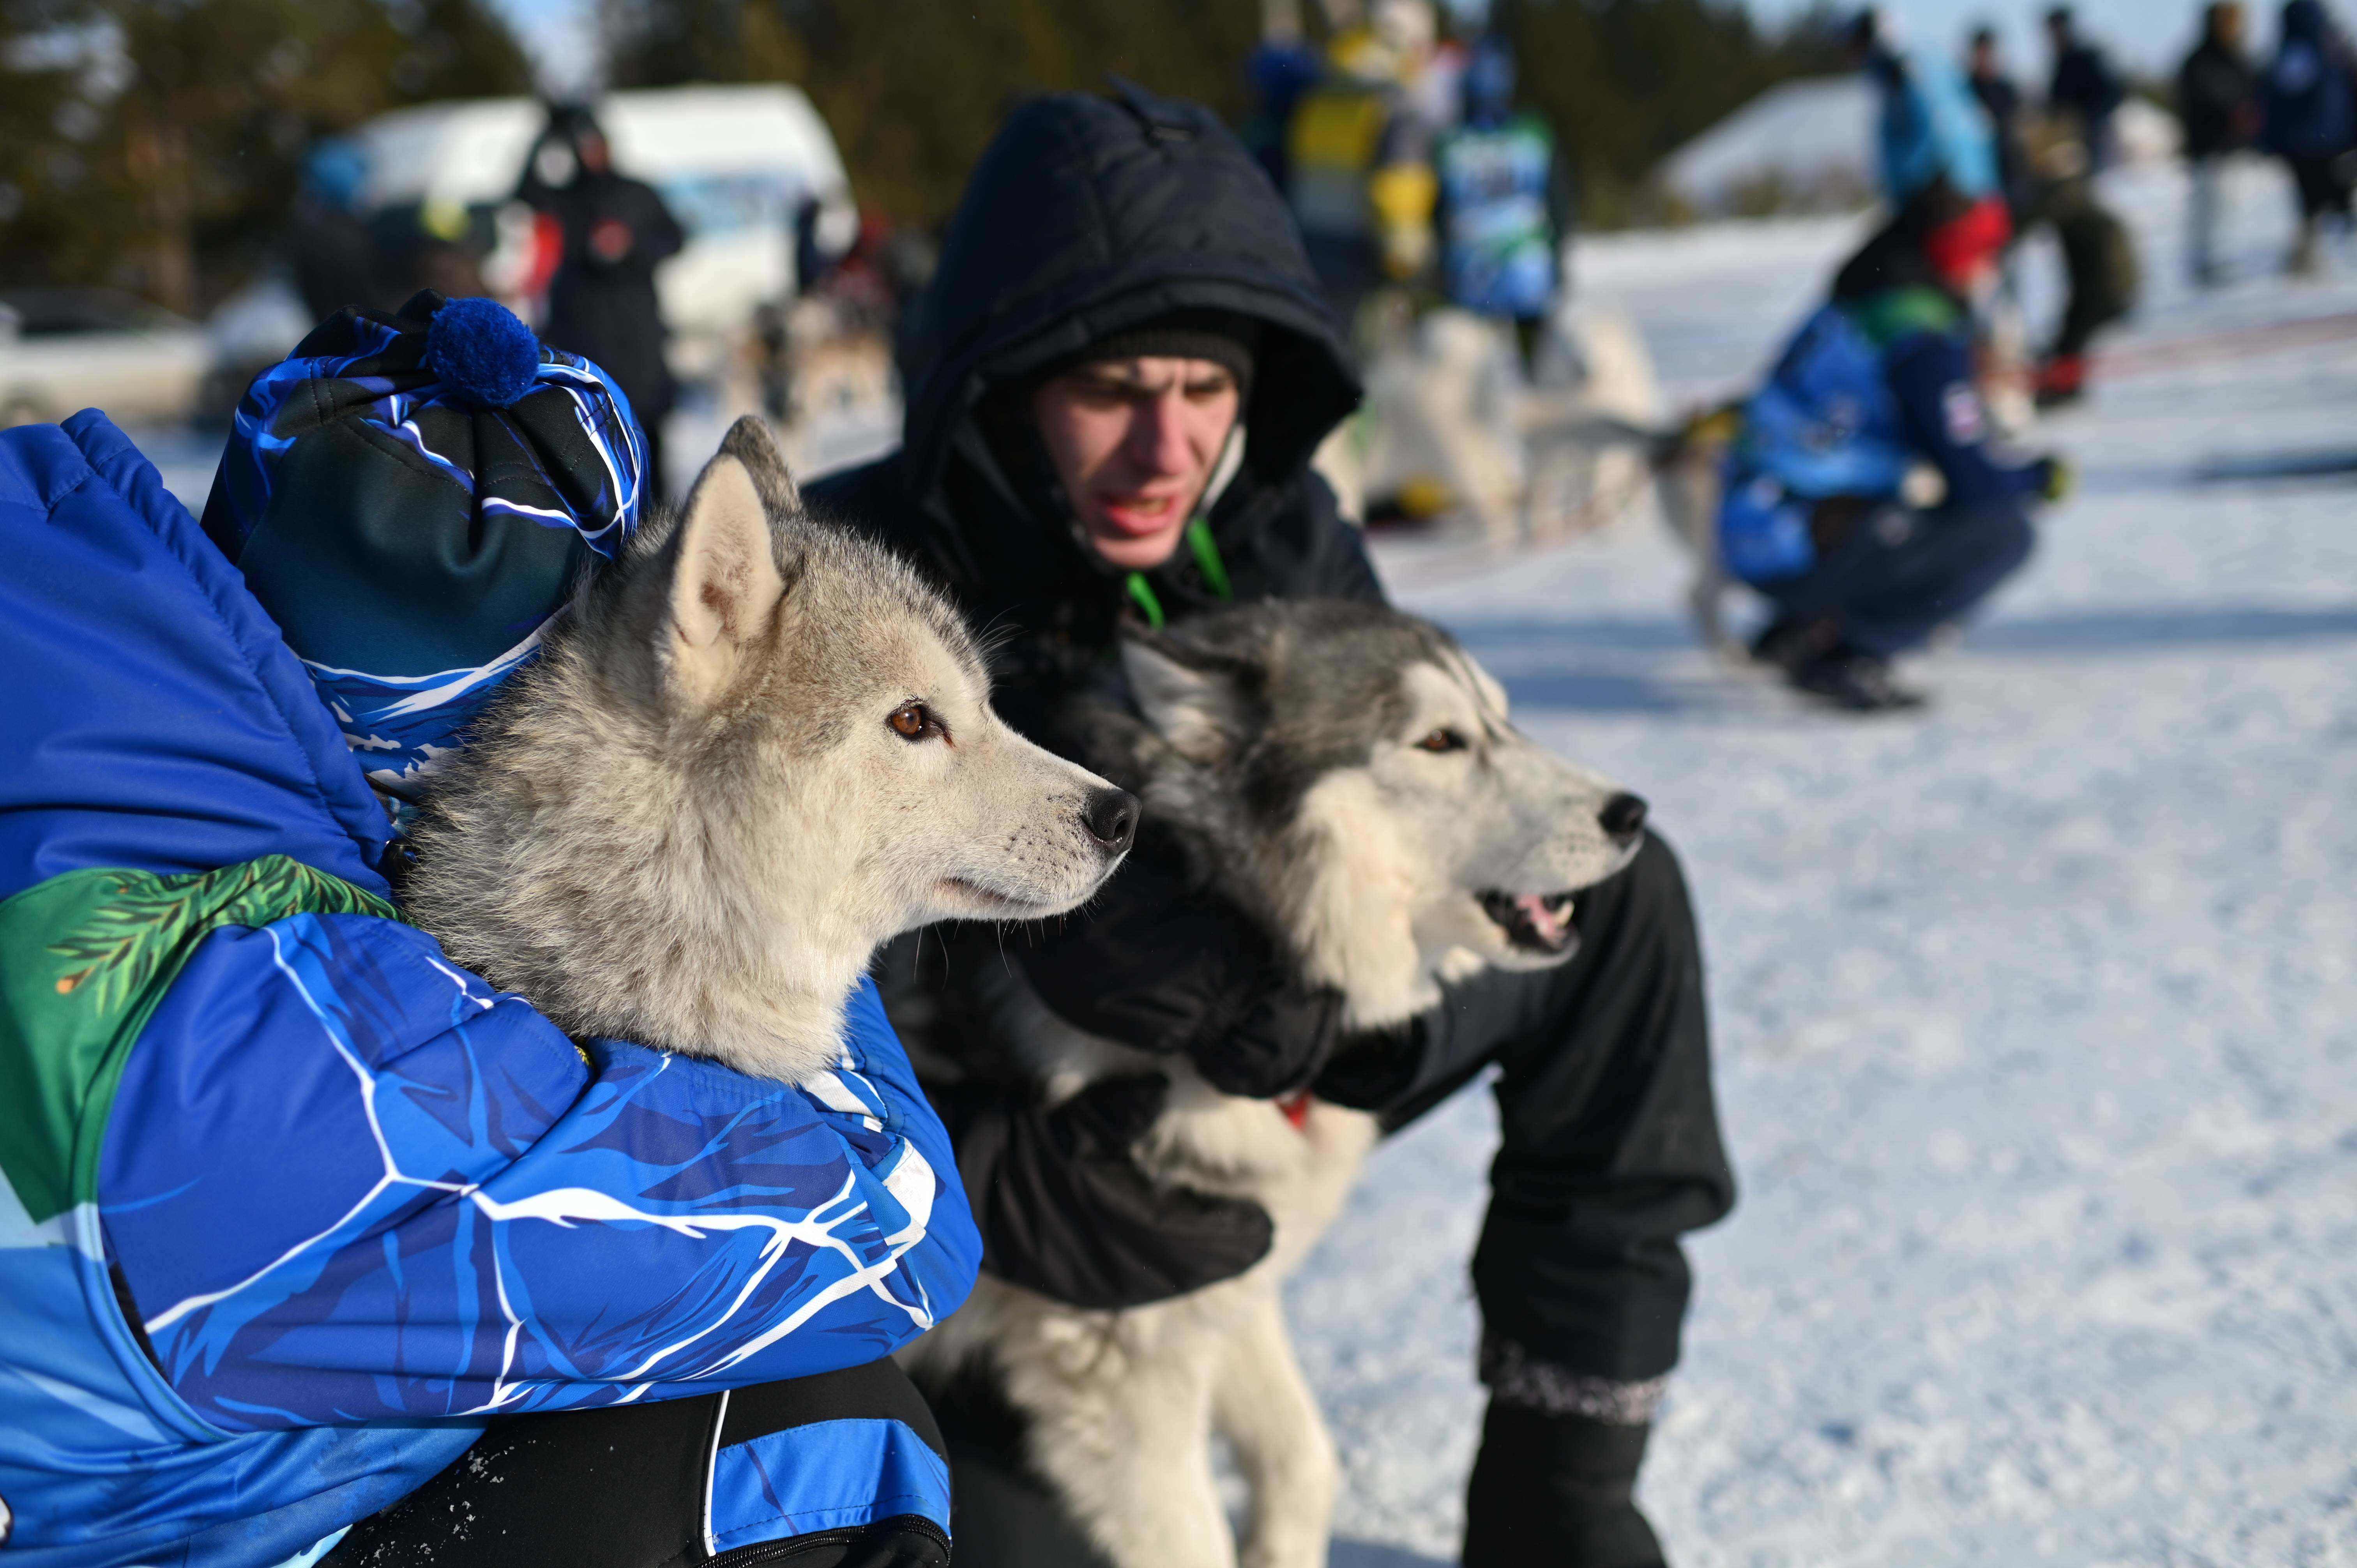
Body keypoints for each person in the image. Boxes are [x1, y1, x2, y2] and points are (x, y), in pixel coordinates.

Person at [810, 80, 1735, 1568]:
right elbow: (751, 1009)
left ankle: (1559, 1488)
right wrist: (983, 1187)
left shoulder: (1283, 529)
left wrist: (1346, 1046)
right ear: (1002, 384)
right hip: (984, 1193)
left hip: (1265, 1063)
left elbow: (1411, 848)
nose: (1165, 447)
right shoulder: (867, 588)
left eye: (1203, 389)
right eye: (1110, 390)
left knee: (1622, 909)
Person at [0, 292, 975, 1568]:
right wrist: (784, 876)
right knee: (811, 1441)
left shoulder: (89, 718)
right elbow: (889, 1221)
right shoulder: (303, 1054)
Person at [1721, 185, 2069, 712]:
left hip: (1751, 529)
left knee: (1901, 494)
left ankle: (1799, 626)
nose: (1991, 269)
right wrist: (2038, 477)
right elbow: (1975, 481)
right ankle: (1851, 650)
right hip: (1801, 545)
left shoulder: (1853, 303)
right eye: (1986, 254)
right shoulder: (1921, 339)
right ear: (1957, 254)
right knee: (2003, 531)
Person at [517, 103, 685, 498]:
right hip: (582, 334)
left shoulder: (637, 192)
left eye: (596, 143)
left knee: (647, 435)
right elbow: (523, 191)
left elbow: (675, 238)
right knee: (590, 439)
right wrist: (545, 136)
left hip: (637, 332)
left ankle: (657, 517)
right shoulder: (565, 197)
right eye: (581, 145)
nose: (591, 152)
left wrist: (630, 249)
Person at [1285, 0, 1443, 330]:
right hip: (1361, 266)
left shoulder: (1323, 88)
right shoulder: (1394, 102)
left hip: (1307, 248)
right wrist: (1409, 269)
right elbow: (1401, 193)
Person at [1433, 33, 1570, 371]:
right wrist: (1558, 256)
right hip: (1524, 274)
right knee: (1529, 373)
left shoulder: (1449, 143)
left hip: (1473, 277)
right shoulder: (1532, 135)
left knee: (1480, 378)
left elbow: (1436, 214)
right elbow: (1560, 205)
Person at [2260, 0, 2357, 275]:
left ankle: (2310, 256)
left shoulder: (2285, 54)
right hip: (2334, 141)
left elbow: (2273, 102)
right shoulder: (2331, 49)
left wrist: (2273, 140)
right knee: (2338, 197)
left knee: (2310, 204)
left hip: (2300, 146)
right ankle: (2328, 256)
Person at [2180, 3, 2262, 285]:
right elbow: (2203, 97)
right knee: (2210, 206)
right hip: (2208, 146)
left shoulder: (2236, 57)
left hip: (2231, 145)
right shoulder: (2200, 60)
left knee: (2229, 205)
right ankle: (2205, 260)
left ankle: (2223, 257)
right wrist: (2231, 112)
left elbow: (2250, 91)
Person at [2044, 5, 2127, 169]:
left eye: (2057, 29)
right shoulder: (2060, 64)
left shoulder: (2088, 58)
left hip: (2102, 132)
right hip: (2079, 135)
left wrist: (2091, 118)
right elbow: (2057, 104)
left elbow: (2114, 93)